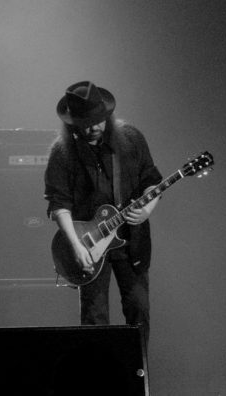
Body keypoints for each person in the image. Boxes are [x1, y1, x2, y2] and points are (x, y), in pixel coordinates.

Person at [44, 81, 163, 347]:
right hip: (89, 243)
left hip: (131, 242)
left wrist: (148, 208)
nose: (93, 128)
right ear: (72, 123)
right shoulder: (63, 152)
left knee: (139, 312)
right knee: (94, 319)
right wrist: (76, 246)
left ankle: (137, 377)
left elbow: (151, 180)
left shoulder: (131, 139)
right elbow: (58, 204)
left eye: (98, 121)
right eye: (85, 123)